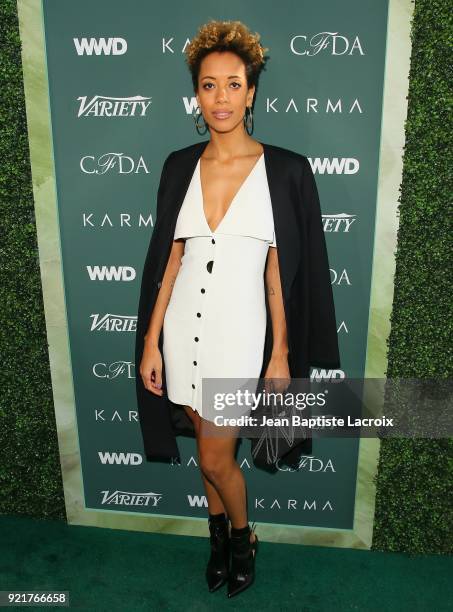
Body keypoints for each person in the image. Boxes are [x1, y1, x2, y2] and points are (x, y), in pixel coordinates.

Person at [137, 19, 340, 599]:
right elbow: (168, 263)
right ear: (196, 94)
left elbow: (283, 276)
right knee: (205, 451)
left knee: (214, 454)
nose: (220, 98)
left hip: (238, 334)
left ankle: (245, 536)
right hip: (180, 332)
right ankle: (217, 536)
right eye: (208, 85)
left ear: (251, 93)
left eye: (232, 84)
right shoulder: (180, 166)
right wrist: (151, 342)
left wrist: (281, 354)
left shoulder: (286, 170)